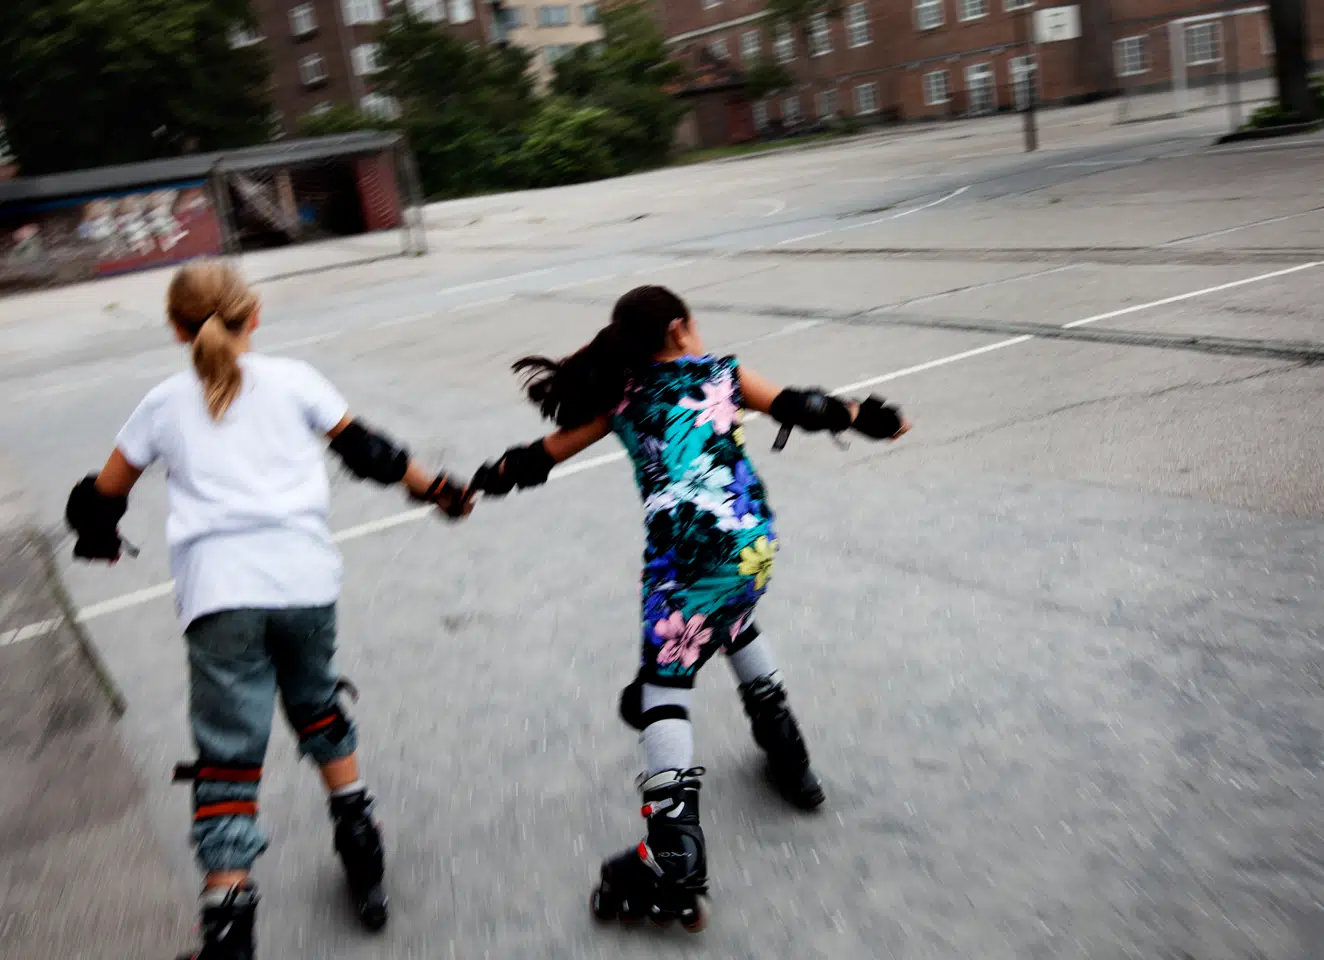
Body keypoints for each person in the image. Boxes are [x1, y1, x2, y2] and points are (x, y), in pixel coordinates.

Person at [63, 260, 473, 960]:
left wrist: (97, 535)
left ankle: (228, 929)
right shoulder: (296, 381)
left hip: (220, 595)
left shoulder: (163, 403)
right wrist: (438, 489)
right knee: (316, 703)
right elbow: (372, 453)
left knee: (229, 758)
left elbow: (101, 495)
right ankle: (361, 843)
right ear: (254, 316)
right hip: (304, 582)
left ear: (175, 328)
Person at [474, 284, 909, 930]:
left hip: (684, 559)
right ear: (680, 329)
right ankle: (788, 753)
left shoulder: (622, 398)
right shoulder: (722, 374)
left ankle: (670, 853)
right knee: (729, 617)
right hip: (752, 546)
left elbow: (544, 455)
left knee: (663, 686)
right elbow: (804, 406)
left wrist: (487, 479)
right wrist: (870, 417)